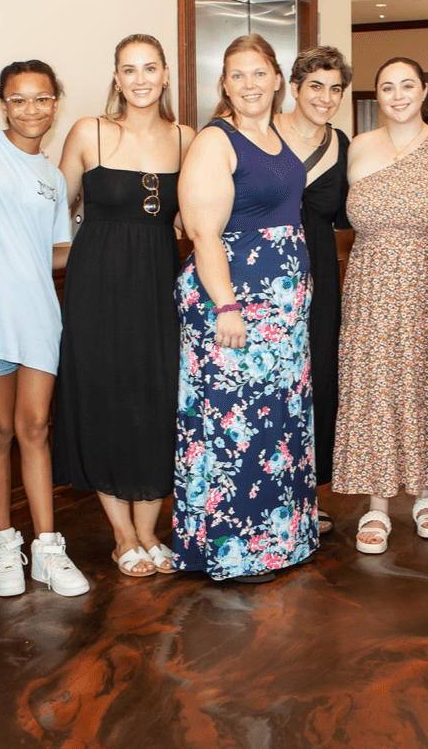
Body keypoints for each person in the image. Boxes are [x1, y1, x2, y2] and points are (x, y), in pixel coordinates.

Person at [173, 34, 317, 582]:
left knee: (279, 422)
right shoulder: (216, 140)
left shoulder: (276, 134)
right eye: (237, 75)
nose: (249, 84)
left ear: (278, 79)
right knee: (236, 426)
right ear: (224, 85)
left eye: (259, 73)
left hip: (282, 309)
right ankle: (235, 551)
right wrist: (226, 307)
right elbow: (203, 233)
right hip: (235, 300)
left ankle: (281, 541)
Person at [55, 35, 193, 578]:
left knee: (158, 400)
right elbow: (54, 210)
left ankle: (150, 531)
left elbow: (194, 217)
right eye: (129, 69)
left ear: (165, 75)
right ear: (116, 77)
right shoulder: (88, 131)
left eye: (149, 68)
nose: (140, 79)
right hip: (96, 288)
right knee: (105, 400)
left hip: (160, 286)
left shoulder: (186, 138)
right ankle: (123, 536)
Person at [333, 57, 428, 553]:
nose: (397, 95)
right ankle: (377, 502)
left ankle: (427, 493)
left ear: (425, 90)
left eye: (407, 85)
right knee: (372, 387)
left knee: (422, 383)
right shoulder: (356, 146)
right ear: (376, 96)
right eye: (387, 87)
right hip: (368, 285)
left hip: (427, 282)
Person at [0, 61, 87, 597]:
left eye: (41, 98)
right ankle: (2, 543)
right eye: (18, 99)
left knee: (35, 429)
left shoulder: (53, 178)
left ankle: (48, 549)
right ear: (2, 105)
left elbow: (52, 252)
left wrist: (99, 243)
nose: (30, 109)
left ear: (56, 103)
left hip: (38, 315)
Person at [276, 46, 352, 536]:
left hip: (321, 271)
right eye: (316, 86)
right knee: (271, 382)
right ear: (295, 87)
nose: (326, 97)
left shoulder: (343, 144)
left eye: (335, 88)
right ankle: (267, 490)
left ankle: (307, 495)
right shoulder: (262, 131)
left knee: (317, 378)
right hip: (265, 270)